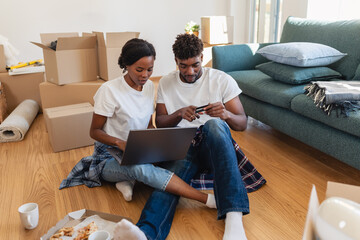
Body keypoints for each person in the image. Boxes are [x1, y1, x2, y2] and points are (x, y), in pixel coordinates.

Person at [114, 34, 266, 240]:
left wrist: (226, 114)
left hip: (215, 144)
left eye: (195, 64)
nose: (190, 71)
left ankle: (234, 217)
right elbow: (160, 121)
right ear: (175, 61)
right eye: (183, 66)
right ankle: (146, 233)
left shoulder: (221, 80)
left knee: (214, 125)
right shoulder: (167, 82)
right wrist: (178, 114)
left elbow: (242, 123)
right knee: (168, 183)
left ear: (202, 57)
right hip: (183, 145)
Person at [59, 38, 217, 210]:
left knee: (176, 157)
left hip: (139, 150)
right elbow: (94, 131)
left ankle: (125, 180)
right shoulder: (109, 90)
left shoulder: (149, 87)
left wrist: (157, 144)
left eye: (150, 70)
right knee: (139, 169)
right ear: (126, 65)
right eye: (139, 70)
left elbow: (149, 125)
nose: (145, 75)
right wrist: (120, 143)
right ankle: (207, 200)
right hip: (109, 156)